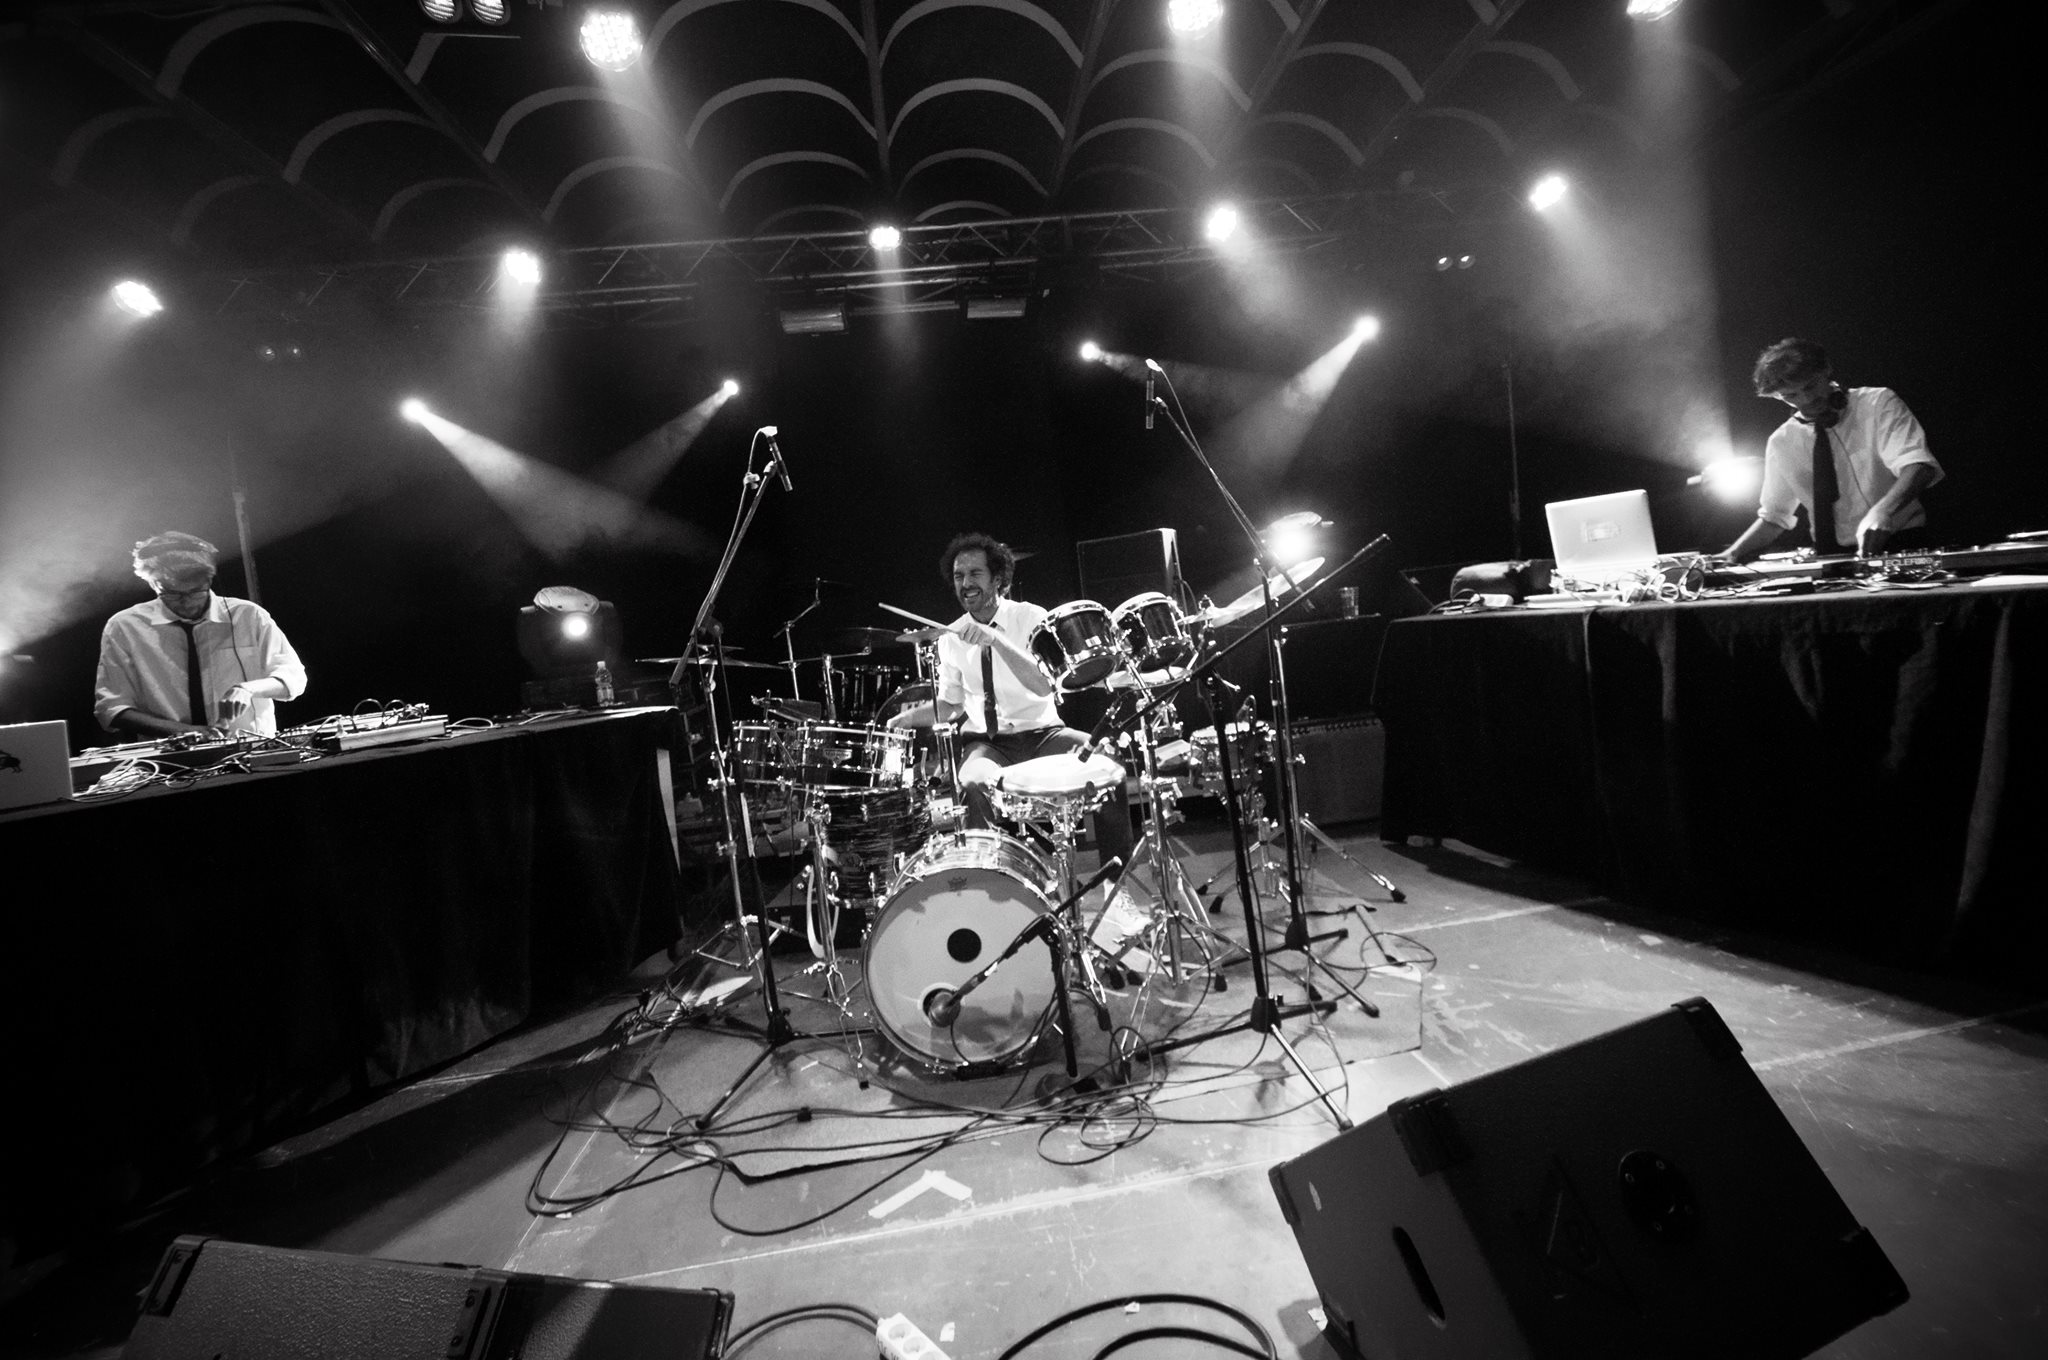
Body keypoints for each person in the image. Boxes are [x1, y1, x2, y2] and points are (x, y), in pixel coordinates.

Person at [889, 533, 1132, 873]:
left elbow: (1044, 686)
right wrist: (905, 719)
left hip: (1045, 736)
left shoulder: (1030, 618)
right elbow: (951, 705)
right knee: (972, 782)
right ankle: (989, 881)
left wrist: (997, 641)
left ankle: (1115, 879)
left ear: (998, 579)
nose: (966, 584)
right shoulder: (950, 637)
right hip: (989, 744)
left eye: (975, 574)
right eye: (959, 576)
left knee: (1108, 758)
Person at [1721, 338, 1943, 563]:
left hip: (1901, 544)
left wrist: (1883, 511)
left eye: (1810, 386)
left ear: (1826, 370)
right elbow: (1774, 517)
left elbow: (1918, 466)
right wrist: (1731, 554)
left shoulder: (1877, 403)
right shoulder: (1782, 441)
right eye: (1791, 396)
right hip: (1830, 556)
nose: (1806, 399)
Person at [94, 531, 307, 738]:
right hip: (169, 756)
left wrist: (248, 689)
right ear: (151, 583)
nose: (186, 602)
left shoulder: (248, 615)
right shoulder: (124, 626)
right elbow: (112, 709)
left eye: (195, 591)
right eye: (171, 593)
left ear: (209, 580)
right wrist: (184, 732)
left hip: (251, 747)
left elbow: (294, 679)